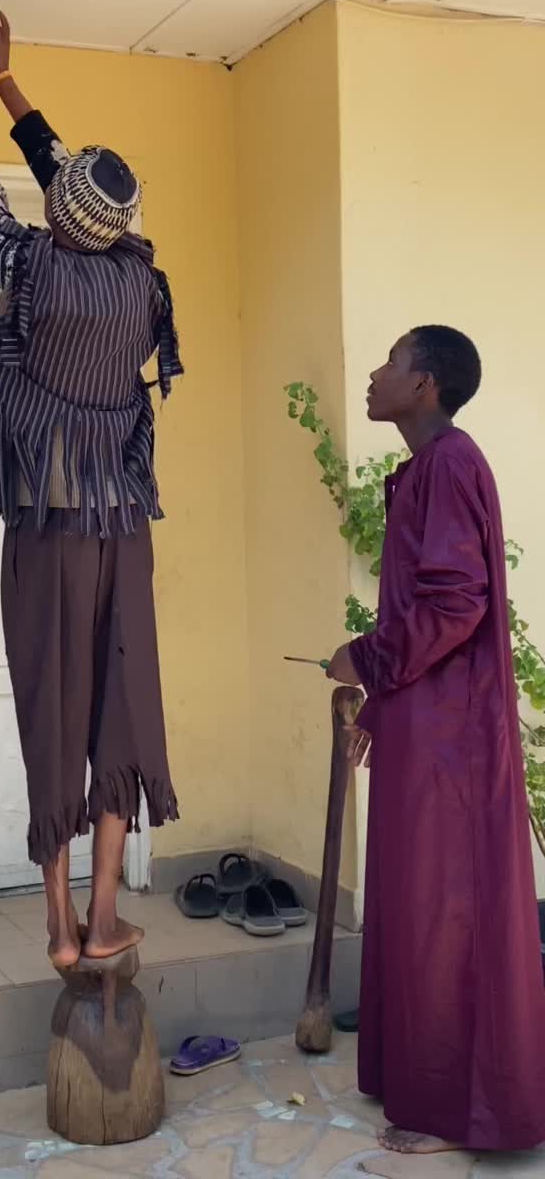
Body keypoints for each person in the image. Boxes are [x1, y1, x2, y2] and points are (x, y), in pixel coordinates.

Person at [0, 15, 182, 971]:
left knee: (52, 700)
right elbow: (74, 191)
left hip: (48, 525)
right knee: (121, 701)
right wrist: (14, 85)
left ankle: (56, 924)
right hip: (122, 523)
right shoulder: (140, 276)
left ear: (59, 215)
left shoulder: (25, 262)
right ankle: (104, 912)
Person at [327, 325, 545, 1156]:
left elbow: (456, 605)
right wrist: (381, 709)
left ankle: (461, 1111)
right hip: (428, 728)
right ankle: (421, 1087)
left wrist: (364, 658)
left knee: (445, 915)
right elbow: (428, 611)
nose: (375, 374)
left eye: (391, 362)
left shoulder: (450, 464)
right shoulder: (426, 468)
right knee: (416, 907)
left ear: (425, 386)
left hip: (454, 745)